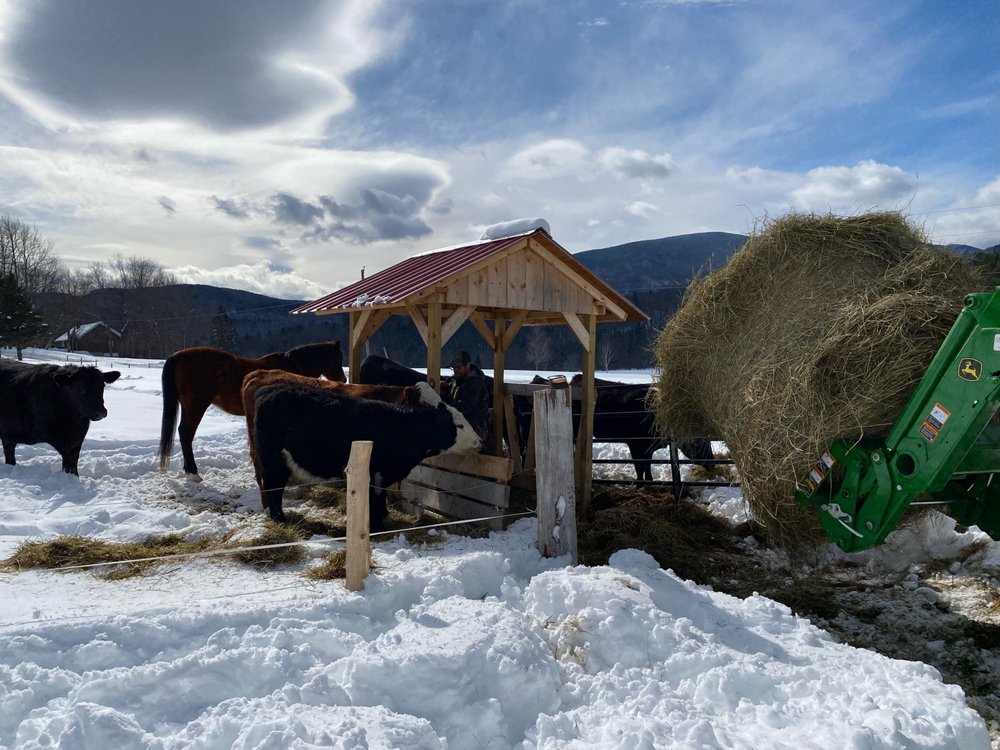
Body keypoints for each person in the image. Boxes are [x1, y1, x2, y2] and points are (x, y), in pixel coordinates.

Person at [447, 350, 491, 449]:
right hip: (462, 430)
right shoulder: (458, 381)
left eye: (458, 367)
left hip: (475, 432)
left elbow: (466, 407)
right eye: (453, 368)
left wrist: (445, 408)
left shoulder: (476, 384)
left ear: (468, 365)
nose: (455, 371)